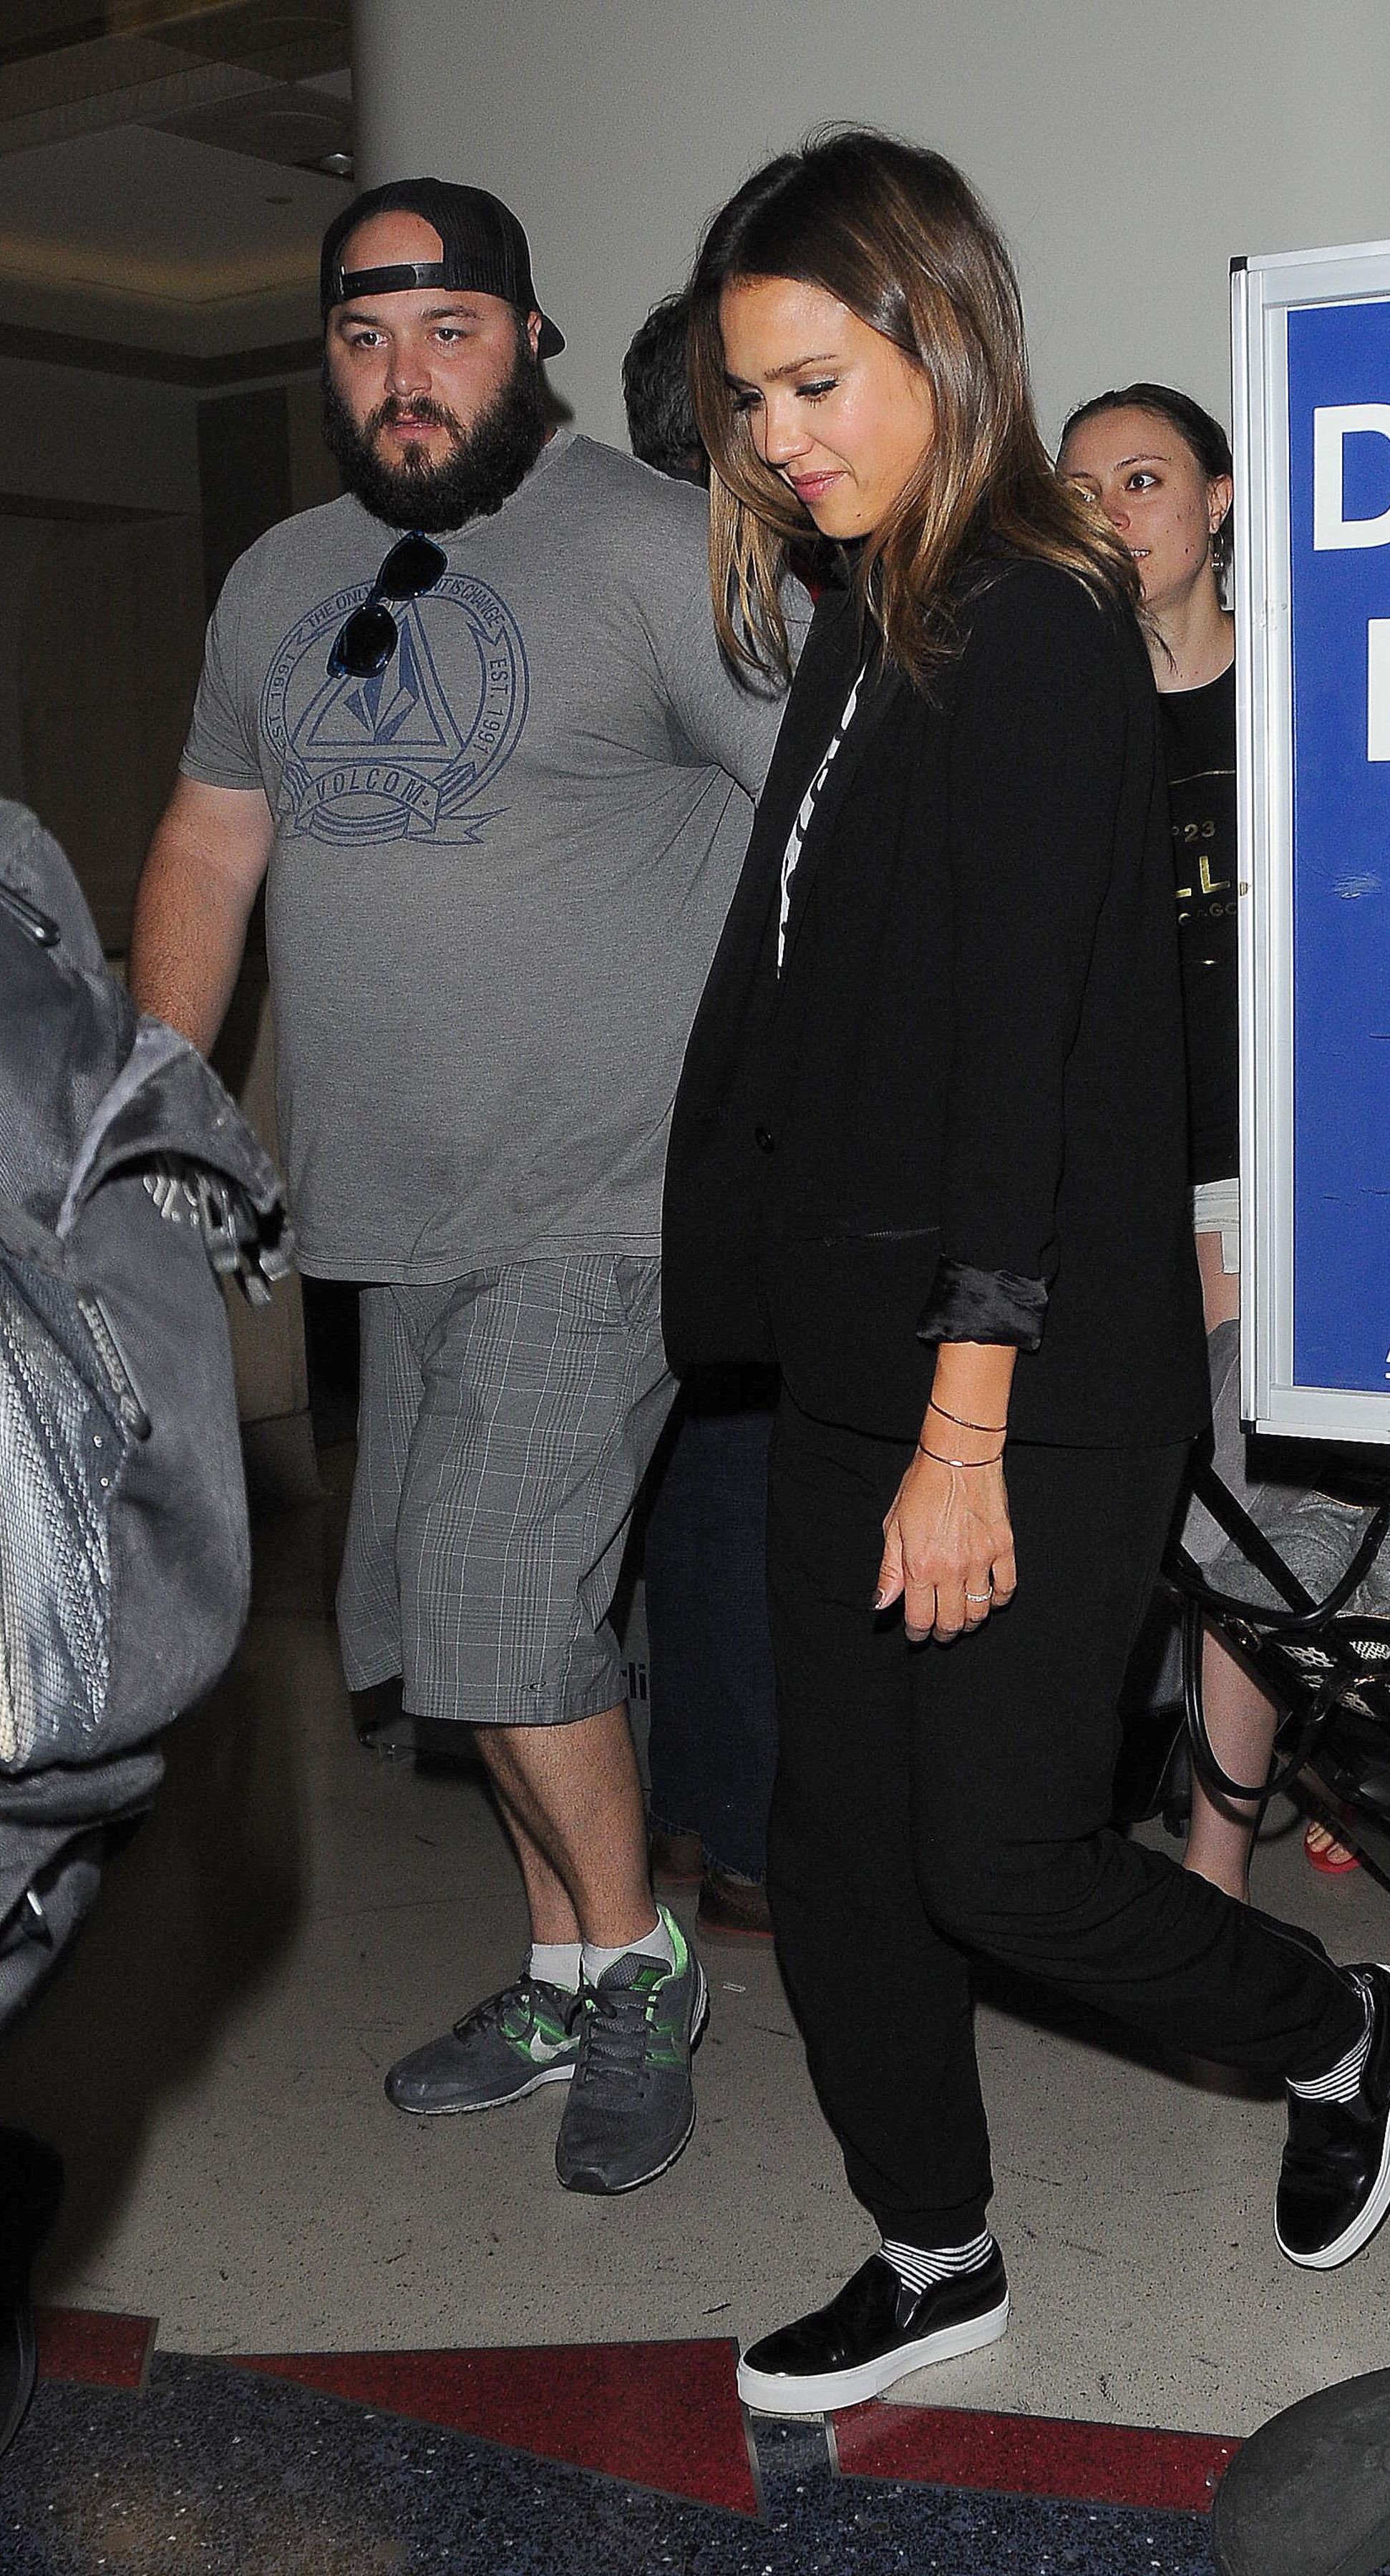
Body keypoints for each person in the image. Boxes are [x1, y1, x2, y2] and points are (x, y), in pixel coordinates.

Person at [662, 129, 1390, 2416]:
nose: (783, 439)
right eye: (750, 403)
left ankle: (1335, 2026)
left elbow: (1025, 1053)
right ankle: (932, 2247)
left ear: (938, 335)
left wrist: (967, 1420)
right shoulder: (863, 608)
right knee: (837, 1840)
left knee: (993, 1855)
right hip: (843, 1349)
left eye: (817, 382)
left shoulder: (1033, 618)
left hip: (1026, 1371)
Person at [130, 177, 792, 2196]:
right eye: (360, 337)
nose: (402, 378)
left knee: (506, 1609)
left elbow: (832, 842)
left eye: (445, 330)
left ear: (529, 334)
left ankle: (646, 1974)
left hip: (607, 1204)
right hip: (387, 1214)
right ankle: (563, 1954)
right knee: (447, 1626)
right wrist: (163, 1094)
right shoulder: (278, 583)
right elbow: (206, 848)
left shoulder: (661, 552)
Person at [1059, 385, 1356, 1893]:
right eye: (1085, 488)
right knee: (1139, 1508)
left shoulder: (1301, 692)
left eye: (1146, 477)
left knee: (1242, 1505)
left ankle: (1212, 1856)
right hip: (1103, 1176)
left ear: (1219, 499)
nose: (1114, 514)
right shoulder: (1060, 710)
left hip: (1263, 1162)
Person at [620, 290, 779, 1941]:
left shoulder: (619, 571)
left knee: (680, 1498)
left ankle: (690, 1818)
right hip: (730, 1110)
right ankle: (732, 1833)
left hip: (639, 1114)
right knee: (731, 1486)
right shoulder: (721, 596)